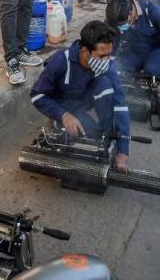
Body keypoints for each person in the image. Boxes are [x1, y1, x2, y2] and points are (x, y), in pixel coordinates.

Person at [30, 21, 131, 172]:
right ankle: (57, 122)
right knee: (83, 135)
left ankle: (106, 134)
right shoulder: (60, 61)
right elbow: (37, 95)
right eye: (102, 55)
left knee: (105, 84)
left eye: (109, 54)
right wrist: (63, 115)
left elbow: (120, 103)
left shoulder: (107, 64)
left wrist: (123, 149)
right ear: (85, 52)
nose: (107, 60)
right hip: (64, 105)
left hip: (83, 101)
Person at [105, 0, 160, 84]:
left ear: (130, 14)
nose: (120, 28)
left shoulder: (152, 10)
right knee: (119, 70)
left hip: (156, 49)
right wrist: (109, 66)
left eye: (121, 25)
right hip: (133, 51)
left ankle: (153, 82)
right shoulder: (115, 18)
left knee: (151, 71)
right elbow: (112, 45)